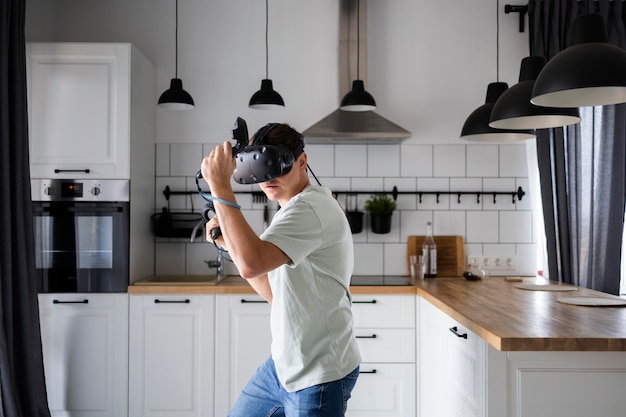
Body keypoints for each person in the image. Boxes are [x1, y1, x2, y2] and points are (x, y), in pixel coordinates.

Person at [200, 122, 361, 417]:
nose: (268, 178)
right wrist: (228, 245)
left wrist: (219, 185)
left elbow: (251, 264)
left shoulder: (309, 209)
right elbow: (272, 290)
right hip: (285, 365)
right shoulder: (291, 208)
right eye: (259, 169)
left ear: (302, 162)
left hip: (318, 373)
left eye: (276, 166)